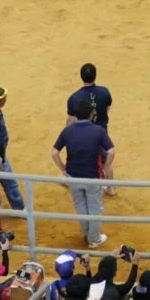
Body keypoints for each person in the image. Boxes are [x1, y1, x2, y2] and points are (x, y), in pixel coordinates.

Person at [52, 96, 115, 249]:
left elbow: (54, 153)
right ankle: (93, 239)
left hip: (73, 176)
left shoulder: (67, 131)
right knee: (94, 207)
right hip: (92, 176)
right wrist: (106, 168)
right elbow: (111, 151)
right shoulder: (98, 130)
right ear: (90, 115)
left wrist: (63, 170)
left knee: (80, 205)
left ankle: (87, 233)